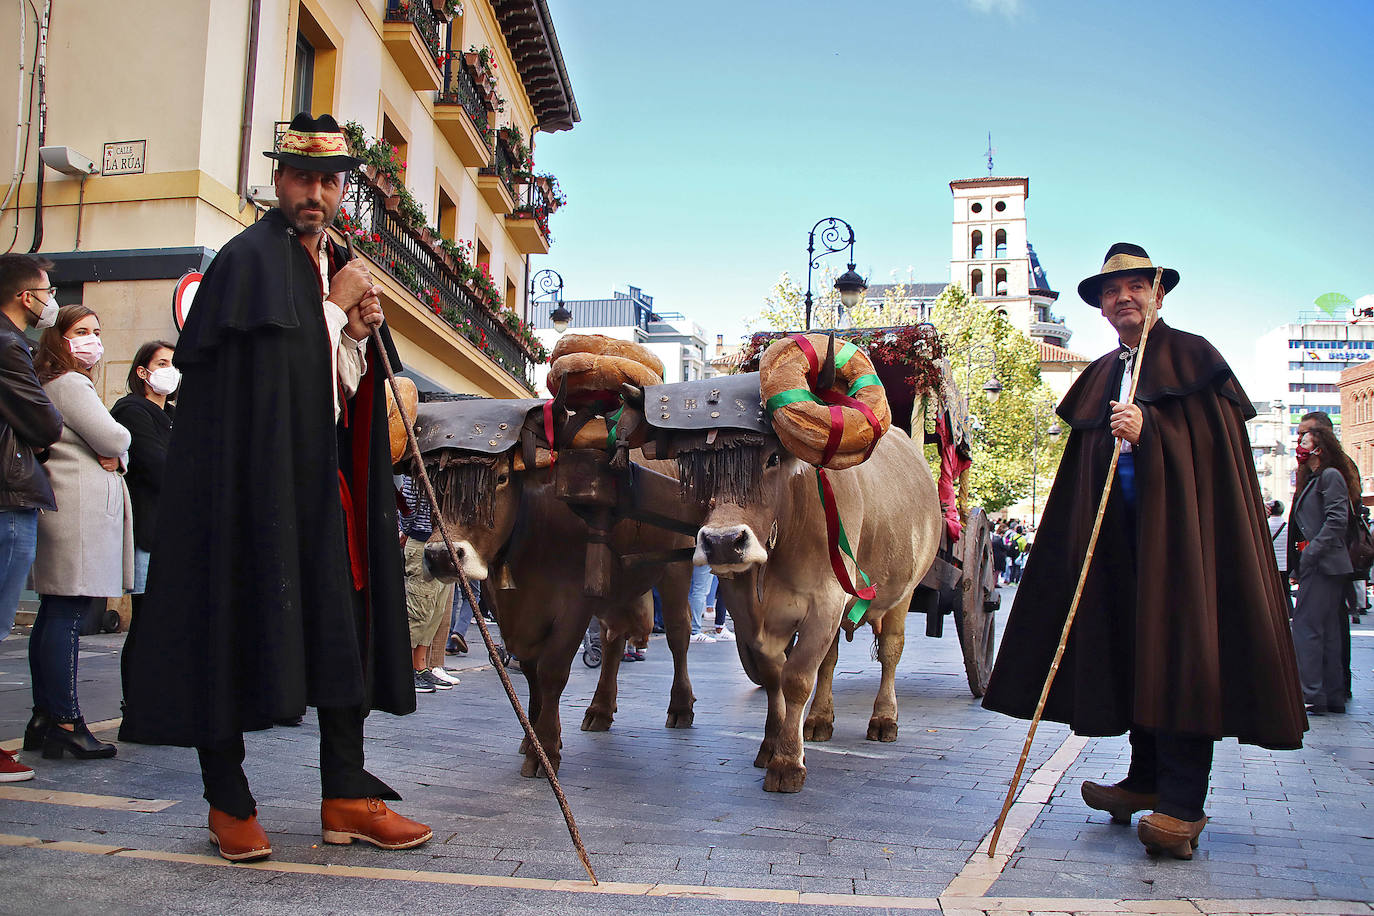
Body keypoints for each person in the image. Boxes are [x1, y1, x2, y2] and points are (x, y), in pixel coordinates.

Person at [119, 113, 428, 862]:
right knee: (226, 622)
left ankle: (347, 795)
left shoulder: (335, 260)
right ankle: (228, 801)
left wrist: (353, 335)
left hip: (323, 488)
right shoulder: (246, 260)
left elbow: (329, 392)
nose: (315, 193)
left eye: (329, 181)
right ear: (278, 180)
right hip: (245, 492)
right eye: (301, 177)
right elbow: (260, 383)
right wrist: (331, 312)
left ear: (342, 190)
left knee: (344, 626)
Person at [982, 243, 1305, 861]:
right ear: (1102, 309)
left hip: (1186, 549)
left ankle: (1183, 803)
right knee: (1135, 654)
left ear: (1158, 294)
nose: (1122, 298)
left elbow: (1211, 458)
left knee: (1182, 658)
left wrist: (1151, 431)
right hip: (1120, 549)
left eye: (1134, 287)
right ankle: (1145, 778)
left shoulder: (1193, 358)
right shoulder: (1103, 372)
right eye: (1111, 292)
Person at [29, 304, 132, 761]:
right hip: (78, 512)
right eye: (81, 331)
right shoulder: (70, 384)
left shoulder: (50, 383)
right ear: (59, 338)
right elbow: (112, 438)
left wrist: (116, 454)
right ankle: (66, 719)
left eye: (97, 329)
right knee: (67, 614)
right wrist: (119, 450)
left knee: (56, 611)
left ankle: (45, 718)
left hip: (65, 506)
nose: (93, 339)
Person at [0, 254, 64, 782]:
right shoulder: (7, 347)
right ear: (25, 296)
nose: (50, 301)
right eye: (46, 292)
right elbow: (46, 421)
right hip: (9, 495)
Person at [1288, 426, 1355, 715]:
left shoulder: (1329, 476)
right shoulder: (1318, 478)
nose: (1299, 445)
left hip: (1323, 564)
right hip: (1325, 564)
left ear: (1319, 448)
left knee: (1308, 628)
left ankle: (1312, 693)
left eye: (1305, 441)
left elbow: (1336, 520)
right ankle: (1329, 694)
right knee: (1325, 630)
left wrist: (1310, 554)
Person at [110, 340, 177, 620]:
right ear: (141, 372)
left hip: (175, 530)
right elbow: (156, 465)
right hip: (147, 527)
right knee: (149, 617)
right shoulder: (131, 410)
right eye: (162, 364)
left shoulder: (175, 415)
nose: (170, 371)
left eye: (175, 365)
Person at [398, 474, 457, 692]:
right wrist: (406, 529)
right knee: (419, 609)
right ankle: (406, 670)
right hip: (422, 540)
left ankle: (420, 666)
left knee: (435, 611)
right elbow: (409, 505)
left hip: (442, 541)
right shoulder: (417, 468)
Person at [1267, 500, 1292, 614]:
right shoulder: (1288, 528)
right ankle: (1289, 612)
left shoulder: (1266, 526)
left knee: (1272, 590)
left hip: (1271, 564)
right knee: (1286, 591)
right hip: (1285, 565)